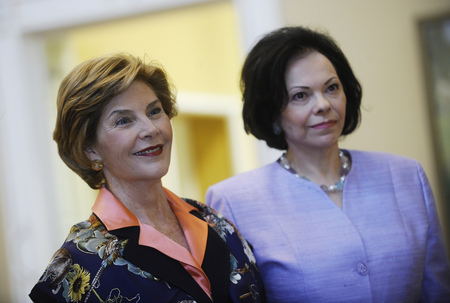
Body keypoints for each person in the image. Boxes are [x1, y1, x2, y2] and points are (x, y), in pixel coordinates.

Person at [206, 26, 450, 302]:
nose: (323, 104)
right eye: (301, 95)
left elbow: (438, 291)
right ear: (272, 113)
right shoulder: (232, 201)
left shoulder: (406, 175)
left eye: (331, 88)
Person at [29, 53, 265, 303]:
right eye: (123, 120)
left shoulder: (215, 222)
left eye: (154, 111)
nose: (151, 129)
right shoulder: (78, 264)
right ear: (90, 149)